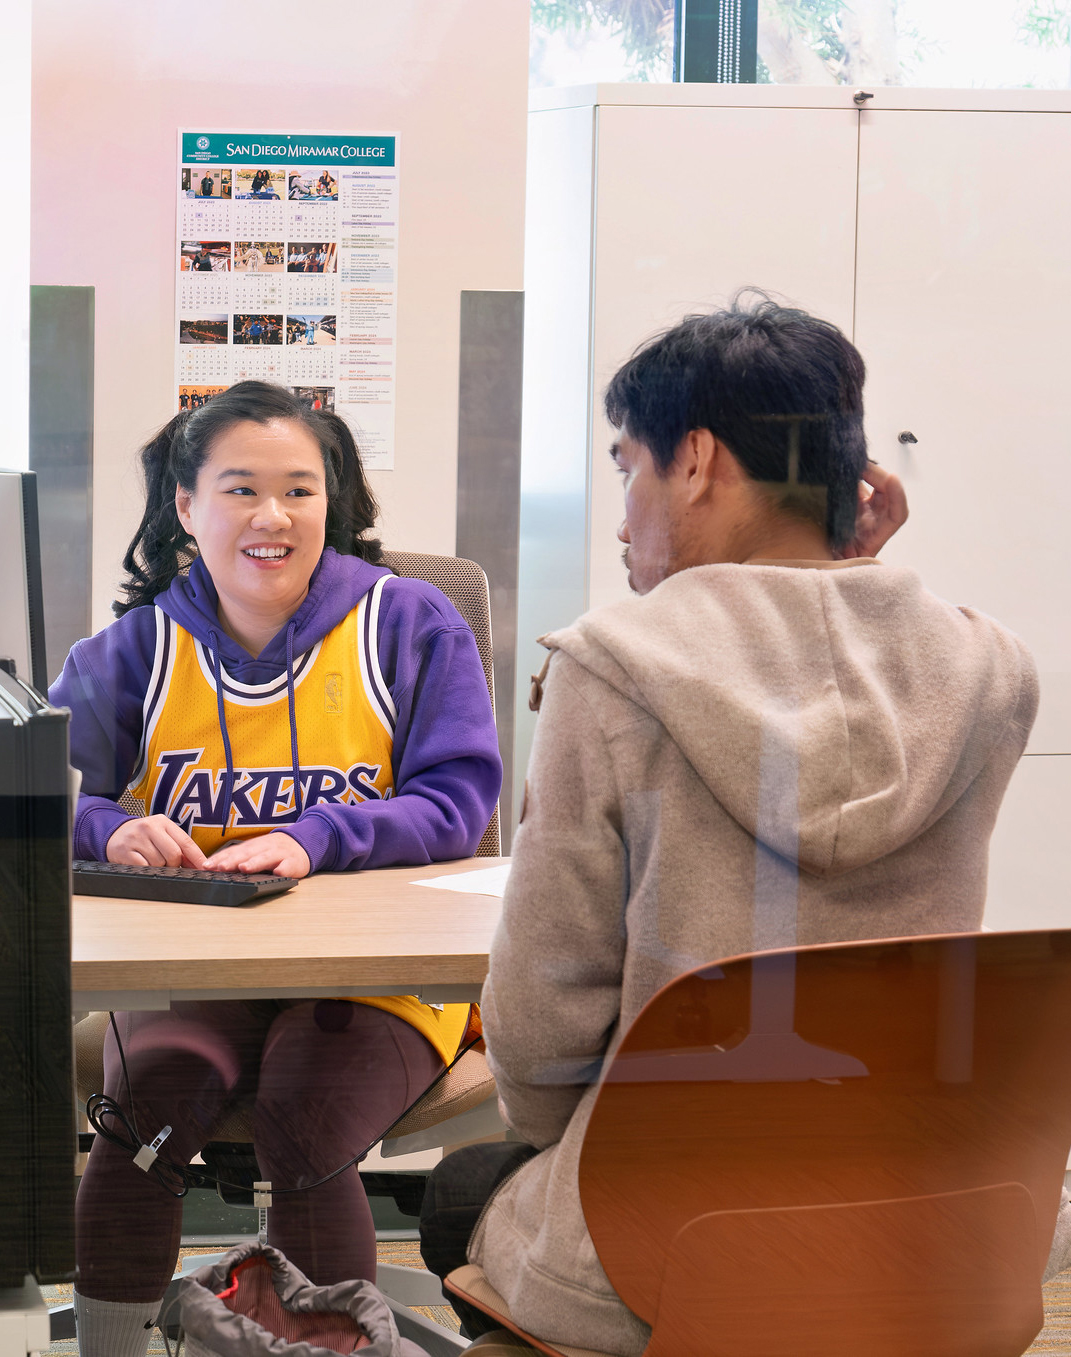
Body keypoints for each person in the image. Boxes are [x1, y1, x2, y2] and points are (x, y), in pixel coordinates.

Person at [418, 296, 1040, 1353]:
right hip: (927, 1221)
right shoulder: (990, 672)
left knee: (460, 1195)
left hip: (673, 1234)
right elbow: (833, 657)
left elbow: (539, 1035)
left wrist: (584, 1144)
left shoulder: (610, 673)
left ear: (697, 460)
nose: (624, 516)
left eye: (630, 468)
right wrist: (840, 568)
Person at [53, 380, 502, 1357]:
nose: (273, 515)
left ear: (332, 501)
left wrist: (318, 836)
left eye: (300, 489)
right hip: (193, 976)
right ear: (186, 505)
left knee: (307, 1111)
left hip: (377, 979)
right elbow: (39, 793)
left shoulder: (409, 623)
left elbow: (460, 801)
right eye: (241, 489)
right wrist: (106, 827)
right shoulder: (134, 649)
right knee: (146, 1113)